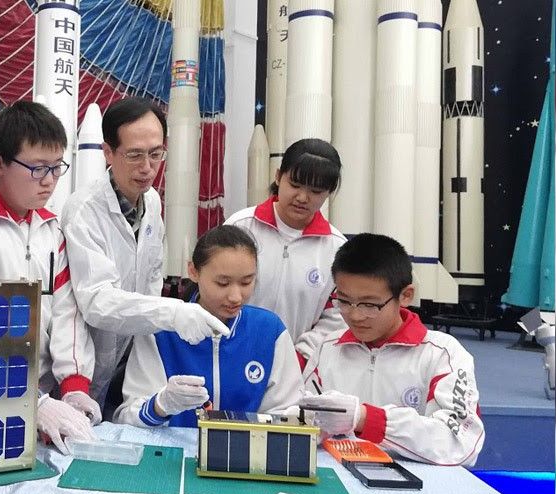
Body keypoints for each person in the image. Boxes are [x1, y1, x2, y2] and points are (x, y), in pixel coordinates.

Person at [61, 97, 230, 414]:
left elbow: (151, 280)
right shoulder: (83, 211)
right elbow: (96, 302)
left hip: (123, 361)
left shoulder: (151, 202)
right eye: (135, 155)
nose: (147, 167)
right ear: (108, 152)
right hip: (76, 364)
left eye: (156, 154)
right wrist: (172, 313)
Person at [301, 233, 485, 466]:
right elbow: (302, 423)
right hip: (336, 480)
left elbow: (461, 444)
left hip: (418, 485)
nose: (355, 315)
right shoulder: (327, 348)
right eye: (344, 301)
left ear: (406, 295)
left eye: (369, 304)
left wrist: (367, 419)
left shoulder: (442, 354)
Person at [0, 101, 97, 452]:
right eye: (37, 168)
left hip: (47, 403)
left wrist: (74, 386)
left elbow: (67, 314)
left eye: (57, 167)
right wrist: (28, 398)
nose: (49, 181)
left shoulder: (52, 231)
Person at [114, 225, 302, 427]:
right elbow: (126, 418)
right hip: (172, 447)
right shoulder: (160, 331)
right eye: (223, 283)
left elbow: (286, 413)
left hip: (247, 447)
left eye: (246, 282)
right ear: (193, 271)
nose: (235, 297)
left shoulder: (269, 331)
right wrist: (160, 406)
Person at [225, 138, 347, 362]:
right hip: (231, 355)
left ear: (328, 193)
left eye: (315, 191)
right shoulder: (241, 227)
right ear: (278, 176)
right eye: (295, 185)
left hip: (295, 366)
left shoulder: (336, 248)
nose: (302, 198)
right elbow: (214, 288)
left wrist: (299, 357)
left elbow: (337, 316)